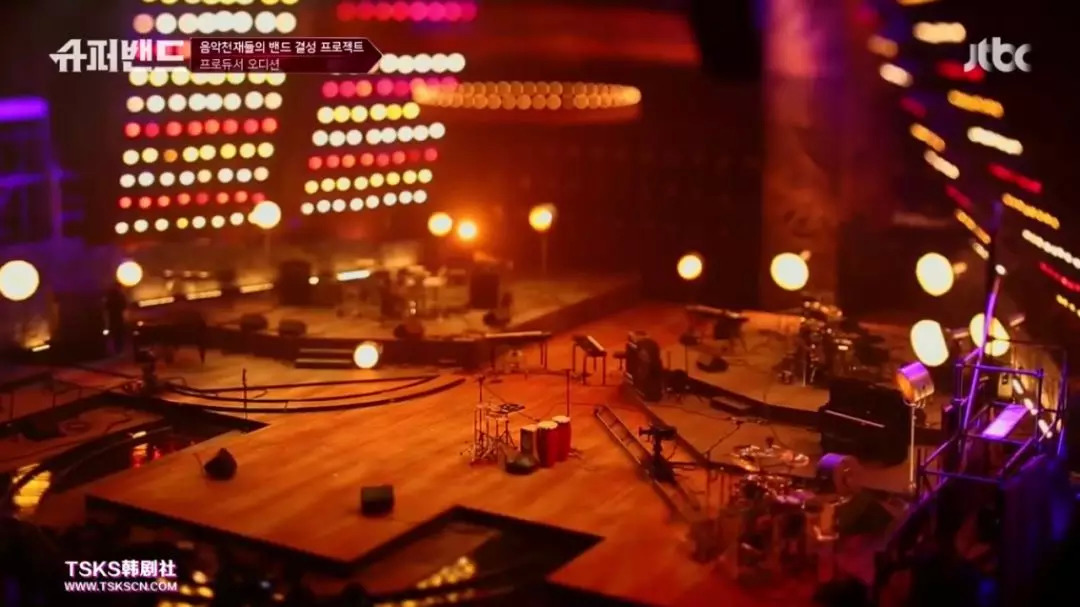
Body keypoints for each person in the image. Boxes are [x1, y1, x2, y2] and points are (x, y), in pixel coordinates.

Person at [104, 286, 128, 354]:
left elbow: (106, 308)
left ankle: (118, 349)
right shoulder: (119, 298)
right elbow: (124, 306)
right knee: (119, 334)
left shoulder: (109, 299)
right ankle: (120, 349)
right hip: (119, 318)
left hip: (112, 319)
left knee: (116, 335)